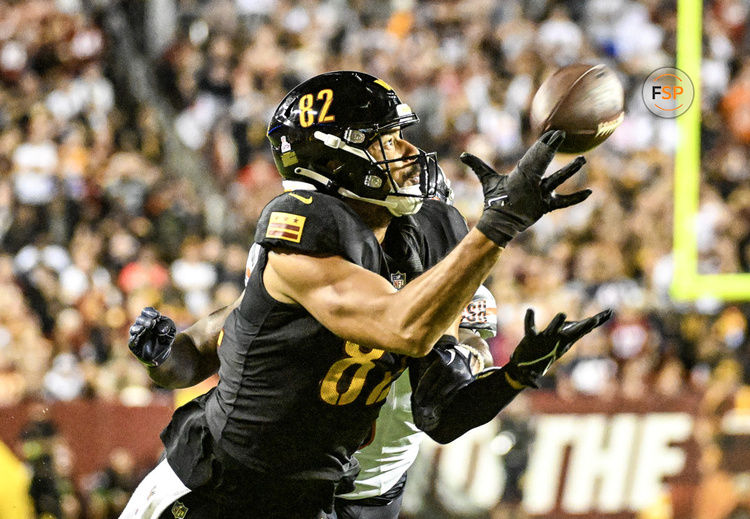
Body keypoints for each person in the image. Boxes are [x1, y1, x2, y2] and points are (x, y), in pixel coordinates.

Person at [120, 71, 607, 519]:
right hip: (224, 490)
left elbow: (439, 407)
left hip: (326, 496)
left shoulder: (429, 238)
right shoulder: (305, 231)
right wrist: (499, 226)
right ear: (333, 160)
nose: (407, 151)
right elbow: (401, 327)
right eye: (385, 141)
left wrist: (514, 376)